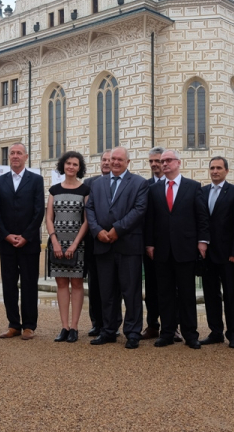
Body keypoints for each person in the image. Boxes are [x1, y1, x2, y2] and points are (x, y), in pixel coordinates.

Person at [85, 146, 149, 349]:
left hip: (128, 245)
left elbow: (139, 210)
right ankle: (108, 330)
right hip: (102, 245)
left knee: (131, 291)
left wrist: (116, 230)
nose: (115, 162)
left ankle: (132, 332)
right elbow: (90, 208)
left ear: (127, 162)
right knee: (107, 291)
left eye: (120, 159)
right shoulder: (97, 184)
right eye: (113, 159)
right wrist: (97, 231)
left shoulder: (139, 183)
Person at [145, 149, 209, 349]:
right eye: (162, 161)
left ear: (178, 163)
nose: (164, 164)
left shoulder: (193, 187)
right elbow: (150, 219)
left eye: (168, 161)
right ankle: (167, 333)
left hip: (186, 248)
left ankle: (191, 334)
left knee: (187, 294)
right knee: (165, 293)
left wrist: (203, 241)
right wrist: (149, 243)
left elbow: (202, 216)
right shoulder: (154, 190)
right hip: (162, 249)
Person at [0, 143, 45, 341]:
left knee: (30, 284)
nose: (15, 156)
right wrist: (6, 235)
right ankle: (13, 324)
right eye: (12, 153)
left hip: (29, 242)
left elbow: (38, 210)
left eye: (18, 153)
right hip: (7, 243)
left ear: (26, 157)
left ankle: (29, 326)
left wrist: (26, 236)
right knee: (9, 284)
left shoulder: (36, 180)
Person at [199, 157, 234, 348]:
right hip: (207, 253)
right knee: (210, 294)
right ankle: (215, 331)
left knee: (231, 294)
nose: (215, 171)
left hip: (228, 253)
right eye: (212, 168)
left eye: (219, 168)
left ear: (226, 170)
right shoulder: (201, 192)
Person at [46, 151, 90, 343]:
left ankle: (75, 327)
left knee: (77, 284)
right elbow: (48, 218)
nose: (71, 167)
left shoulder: (85, 190)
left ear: (79, 168)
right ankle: (64, 326)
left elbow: (87, 221)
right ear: (63, 165)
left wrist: (74, 244)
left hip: (77, 243)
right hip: (57, 244)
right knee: (61, 284)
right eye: (68, 163)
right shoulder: (54, 190)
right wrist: (55, 241)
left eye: (75, 164)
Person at [83, 150, 115, 337]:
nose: (106, 163)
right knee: (94, 285)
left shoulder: (123, 183)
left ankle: (112, 323)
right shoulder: (89, 183)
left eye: (109, 160)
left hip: (115, 240)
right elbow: (87, 211)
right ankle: (97, 322)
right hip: (94, 242)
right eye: (103, 159)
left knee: (114, 287)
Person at [141, 146, 165, 340]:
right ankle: (152, 325)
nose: (155, 164)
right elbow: (145, 217)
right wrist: (148, 243)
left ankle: (172, 326)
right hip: (151, 246)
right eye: (151, 161)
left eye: (158, 161)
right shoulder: (145, 186)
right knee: (151, 289)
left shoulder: (177, 184)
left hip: (172, 246)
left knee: (171, 288)